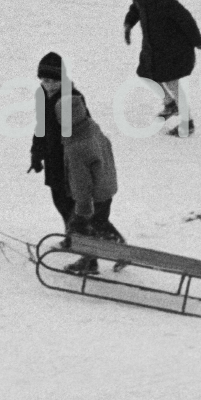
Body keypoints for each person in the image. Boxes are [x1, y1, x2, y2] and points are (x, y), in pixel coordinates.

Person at [124, 0, 201, 135]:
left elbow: (185, 18)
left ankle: (187, 123)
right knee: (145, 74)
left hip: (173, 49)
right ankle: (170, 104)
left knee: (172, 83)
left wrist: (197, 41)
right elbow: (136, 9)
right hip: (153, 48)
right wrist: (129, 23)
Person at [58, 92, 123, 271]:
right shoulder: (92, 127)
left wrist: (84, 205)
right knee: (99, 222)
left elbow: (81, 181)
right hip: (106, 186)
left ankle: (90, 261)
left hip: (94, 193)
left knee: (78, 227)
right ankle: (119, 249)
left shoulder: (77, 145)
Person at [30, 52, 77, 231]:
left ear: (61, 80)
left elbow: (81, 134)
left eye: (52, 81)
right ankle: (72, 236)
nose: (47, 85)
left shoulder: (72, 99)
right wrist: (36, 153)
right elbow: (41, 128)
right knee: (60, 203)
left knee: (74, 205)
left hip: (70, 162)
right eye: (44, 80)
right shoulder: (43, 96)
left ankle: (85, 243)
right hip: (53, 160)